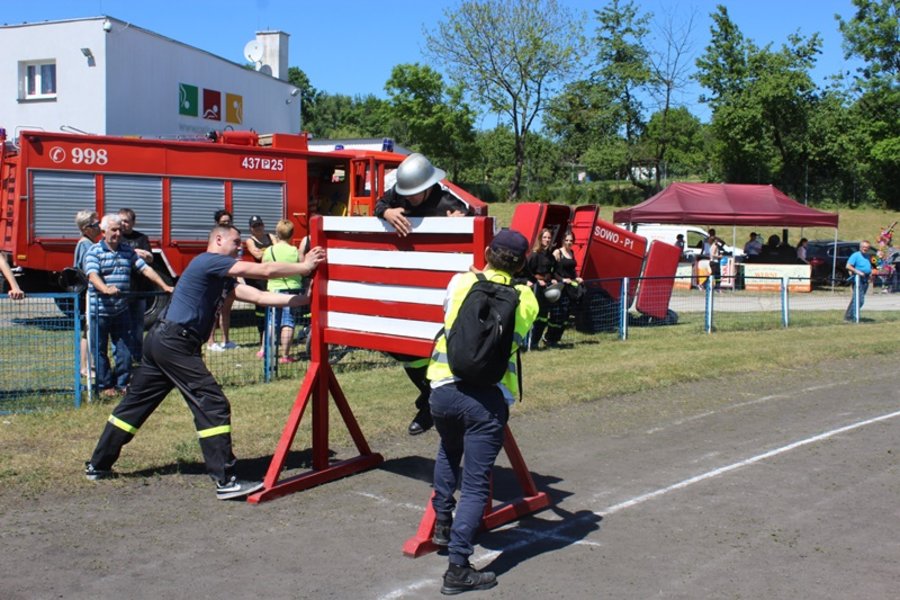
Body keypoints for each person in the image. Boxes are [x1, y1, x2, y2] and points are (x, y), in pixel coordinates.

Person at [85, 224, 327, 500]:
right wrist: (304, 266)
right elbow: (265, 271)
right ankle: (225, 479)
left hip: (163, 341)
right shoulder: (209, 261)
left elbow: (260, 296)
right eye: (236, 242)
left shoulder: (222, 276)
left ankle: (98, 465)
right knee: (213, 403)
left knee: (134, 406)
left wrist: (306, 299)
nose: (239, 247)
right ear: (219, 239)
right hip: (175, 342)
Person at [427, 229, 538, 594]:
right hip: (487, 399)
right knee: (476, 483)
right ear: (522, 262)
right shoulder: (526, 299)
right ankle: (458, 567)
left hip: (444, 389)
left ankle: (442, 522)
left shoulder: (460, 282)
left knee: (448, 450)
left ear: (488, 252)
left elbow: (446, 317)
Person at [374, 152, 473, 436]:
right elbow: (380, 204)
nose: (410, 199)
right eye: (407, 194)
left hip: (439, 289)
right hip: (406, 286)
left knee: (433, 347)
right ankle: (429, 396)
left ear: (429, 185)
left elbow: (477, 229)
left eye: (416, 193)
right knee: (398, 344)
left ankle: (431, 402)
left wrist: (462, 223)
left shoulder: (449, 203)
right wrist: (386, 212)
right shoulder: (399, 197)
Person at [83, 214, 174, 397]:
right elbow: (92, 275)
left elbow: (145, 268)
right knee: (99, 350)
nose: (118, 233)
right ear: (103, 231)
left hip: (121, 309)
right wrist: (105, 288)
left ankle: (122, 384)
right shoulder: (93, 252)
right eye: (114, 230)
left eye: (120, 230)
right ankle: (104, 385)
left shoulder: (127, 251)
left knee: (123, 349)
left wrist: (165, 286)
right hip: (99, 310)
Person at [374, 152, 470, 238]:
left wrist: (459, 223)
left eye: (413, 193)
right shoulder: (399, 194)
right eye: (405, 193)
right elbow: (380, 204)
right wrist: (386, 212)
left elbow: (472, 222)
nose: (407, 197)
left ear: (427, 187)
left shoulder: (446, 202)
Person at [261, 219, 303, 363]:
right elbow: (303, 269)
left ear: (277, 233)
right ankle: (285, 356)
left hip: (273, 289)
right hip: (292, 290)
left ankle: (268, 352)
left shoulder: (269, 250)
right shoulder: (294, 251)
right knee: (288, 322)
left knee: (272, 322)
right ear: (292, 234)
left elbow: (263, 267)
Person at [118, 208, 154, 363]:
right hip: (122, 291)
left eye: (126, 221)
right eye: (121, 221)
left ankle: (138, 356)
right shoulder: (116, 237)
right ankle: (124, 358)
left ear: (133, 222)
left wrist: (145, 254)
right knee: (121, 326)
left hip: (139, 290)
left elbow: (151, 259)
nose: (123, 224)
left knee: (138, 326)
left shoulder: (141, 238)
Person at [545, 229, 583, 346]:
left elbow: (572, 270)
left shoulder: (572, 253)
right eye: (566, 240)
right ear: (562, 241)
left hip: (569, 288)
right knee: (556, 314)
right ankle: (549, 338)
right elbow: (552, 271)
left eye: (571, 241)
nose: (568, 242)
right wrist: (562, 279)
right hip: (559, 287)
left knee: (566, 314)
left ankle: (557, 338)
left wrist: (577, 278)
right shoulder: (557, 252)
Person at [244, 215, 277, 351]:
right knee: (261, 309)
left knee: (274, 306)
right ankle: (261, 337)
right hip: (258, 279)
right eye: (255, 226)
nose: (258, 228)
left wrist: (264, 251)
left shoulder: (271, 236)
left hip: (272, 276)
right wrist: (270, 251)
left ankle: (274, 338)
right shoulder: (250, 241)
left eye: (260, 225)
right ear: (251, 229)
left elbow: (277, 250)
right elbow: (256, 255)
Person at [74, 210, 101, 378]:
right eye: (95, 225)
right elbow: (88, 270)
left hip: (88, 293)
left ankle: (88, 365)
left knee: (88, 329)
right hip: (88, 293)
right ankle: (85, 367)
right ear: (86, 228)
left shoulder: (87, 243)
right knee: (88, 329)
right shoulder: (86, 245)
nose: (99, 227)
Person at [208, 210, 237, 351]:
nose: (226, 224)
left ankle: (226, 340)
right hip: (218, 276)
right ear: (217, 223)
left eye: (228, 221)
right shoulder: (215, 237)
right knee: (214, 310)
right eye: (223, 221)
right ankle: (211, 341)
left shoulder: (233, 236)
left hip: (229, 275)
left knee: (226, 310)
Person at [525, 228, 557, 348]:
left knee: (543, 316)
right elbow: (527, 271)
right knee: (535, 315)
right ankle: (529, 341)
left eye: (549, 238)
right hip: (536, 289)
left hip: (547, 288)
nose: (547, 240)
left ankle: (535, 342)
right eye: (545, 237)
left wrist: (553, 278)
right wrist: (537, 280)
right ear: (540, 239)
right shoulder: (534, 254)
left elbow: (553, 271)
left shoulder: (550, 255)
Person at [844, 240, 873, 322]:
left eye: (867, 247)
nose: (865, 249)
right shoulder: (855, 255)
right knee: (860, 299)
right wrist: (858, 272)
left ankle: (849, 316)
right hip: (858, 279)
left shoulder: (867, 256)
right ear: (860, 247)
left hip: (865, 279)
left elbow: (869, 267)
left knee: (856, 299)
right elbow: (848, 266)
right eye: (864, 247)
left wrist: (870, 274)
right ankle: (852, 316)